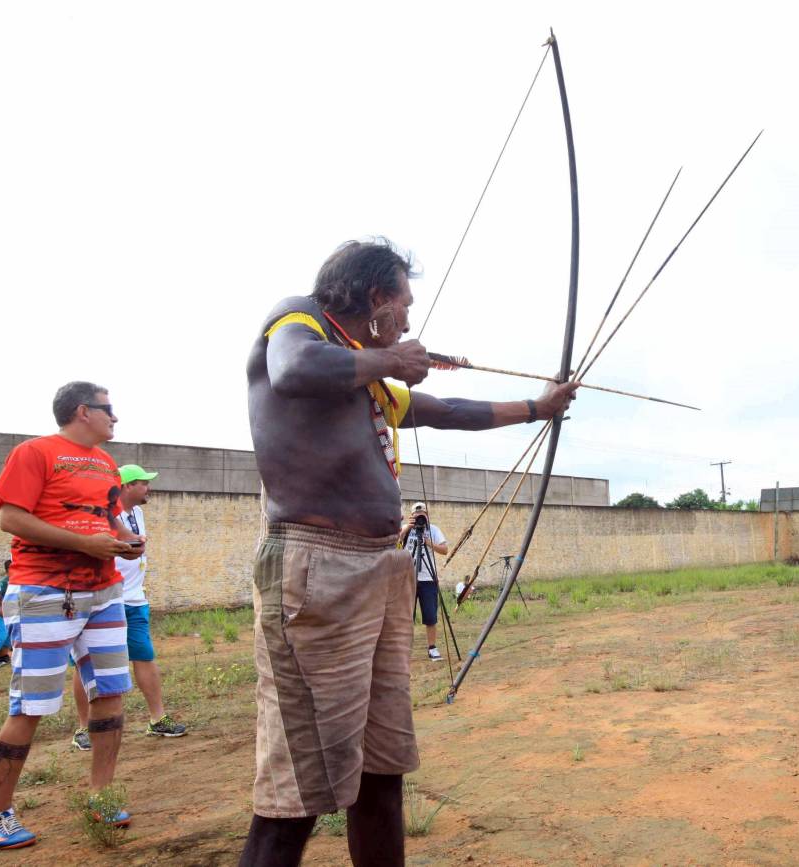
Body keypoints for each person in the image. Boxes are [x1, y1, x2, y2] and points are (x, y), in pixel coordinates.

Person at [239, 238, 579, 867]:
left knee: (380, 771)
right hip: (317, 570)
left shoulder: (365, 377)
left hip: (379, 570)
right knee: (298, 793)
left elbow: (447, 410)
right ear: (374, 299)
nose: (409, 318)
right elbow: (292, 369)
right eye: (403, 305)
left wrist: (538, 407)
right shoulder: (299, 320)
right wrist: (389, 358)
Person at [0, 381, 142, 850]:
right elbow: (11, 518)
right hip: (44, 592)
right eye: (109, 409)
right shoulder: (35, 453)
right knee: (30, 706)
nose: (116, 418)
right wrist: (85, 544)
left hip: (104, 593)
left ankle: (102, 797)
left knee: (111, 694)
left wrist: (122, 543)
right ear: (83, 411)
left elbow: (106, 520)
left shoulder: (107, 462)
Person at [71, 464, 186, 751]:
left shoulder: (138, 513)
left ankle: (157, 719)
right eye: (143, 483)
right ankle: (83, 728)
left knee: (144, 656)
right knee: (87, 663)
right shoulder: (103, 515)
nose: (148, 487)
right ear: (125, 486)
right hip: (106, 599)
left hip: (135, 600)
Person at [398, 502, 448, 662]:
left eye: (423, 514)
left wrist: (427, 542)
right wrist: (407, 528)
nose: (421, 517)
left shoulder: (434, 530)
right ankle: (404, 650)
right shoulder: (406, 529)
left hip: (428, 579)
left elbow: (445, 550)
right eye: (417, 514)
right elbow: (394, 545)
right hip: (408, 578)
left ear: (427, 514)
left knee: (430, 616)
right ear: (412, 516)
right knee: (405, 616)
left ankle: (432, 648)